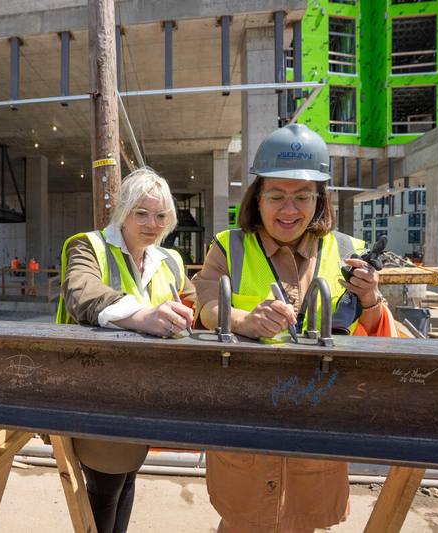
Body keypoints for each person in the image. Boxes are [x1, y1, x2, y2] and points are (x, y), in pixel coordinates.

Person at [192, 124, 399, 533]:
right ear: (258, 197)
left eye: (303, 197)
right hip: (247, 421)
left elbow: (376, 334)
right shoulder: (229, 246)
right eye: (277, 196)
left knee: (302, 519)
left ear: (319, 200)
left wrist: (372, 299)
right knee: (242, 520)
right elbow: (206, 306)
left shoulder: (344, 251)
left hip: (316, 421)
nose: (289, 209)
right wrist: (244, 320)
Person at [57, 167, 196, 533]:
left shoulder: (169, 260)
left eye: (161, 215)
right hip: (99, 390)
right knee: (105, 490)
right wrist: (143, 314)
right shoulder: (88, 245)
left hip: (148, 393)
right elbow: (81, 293)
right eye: (142, 212)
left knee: (128, 476)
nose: (153, 223)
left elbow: (194, 302)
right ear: (123, 210)